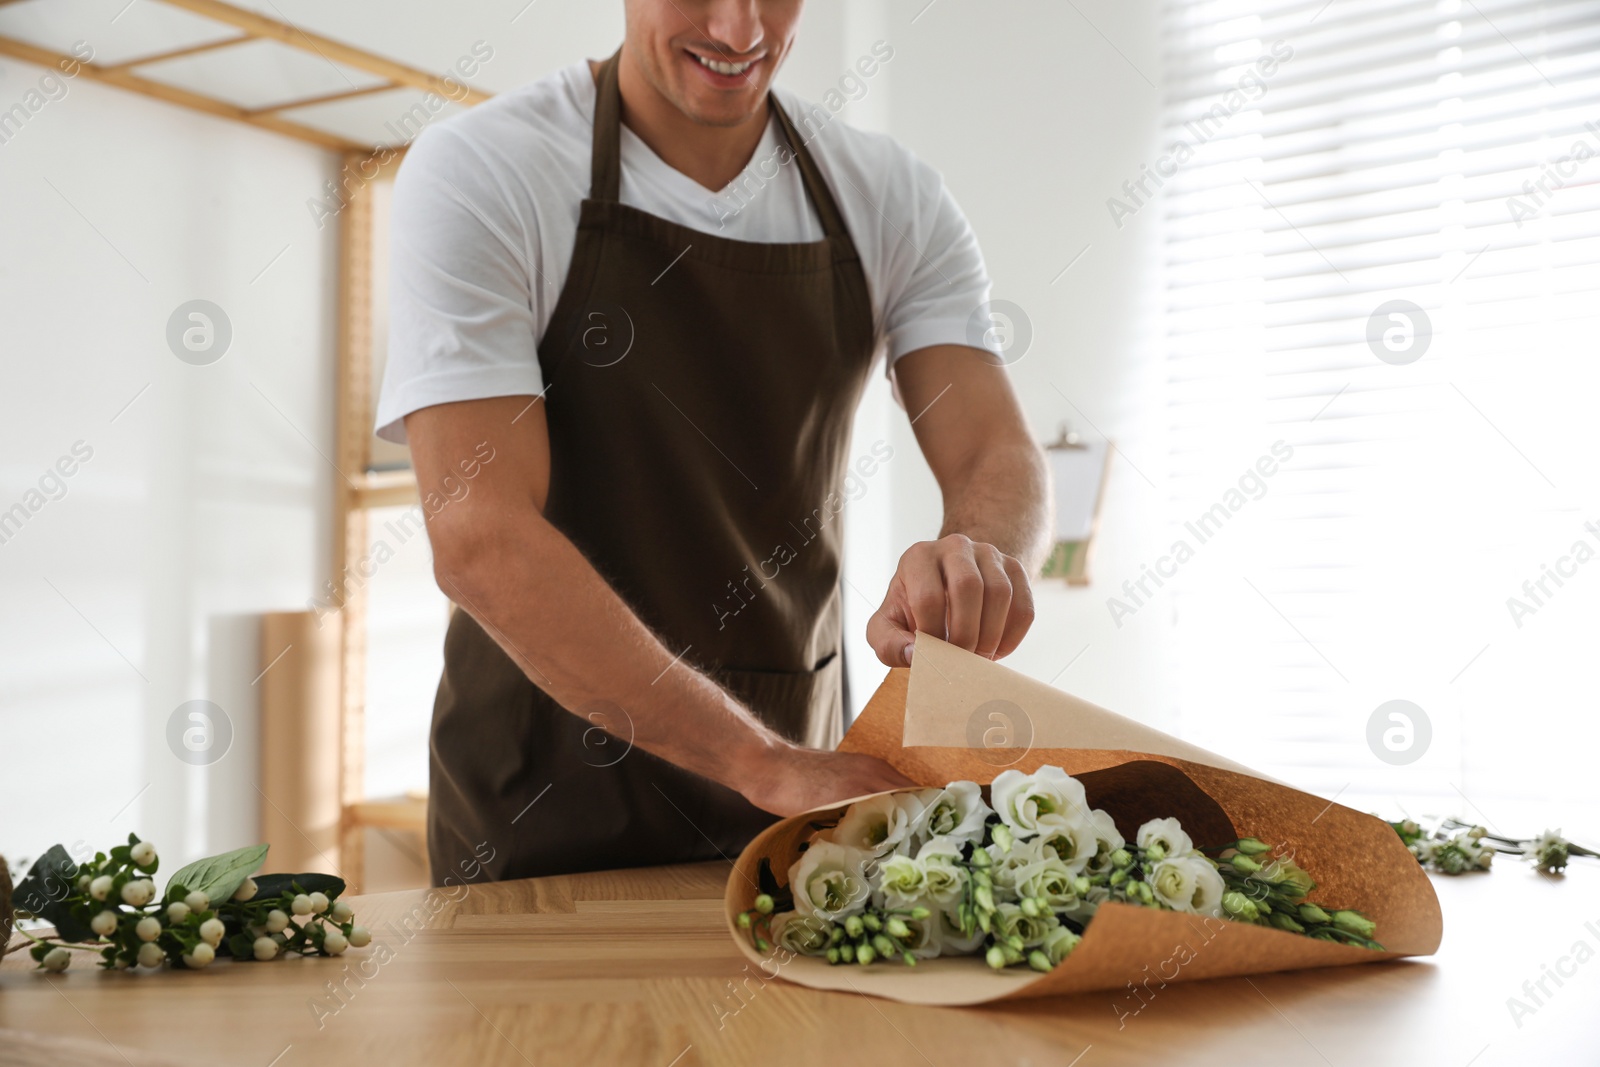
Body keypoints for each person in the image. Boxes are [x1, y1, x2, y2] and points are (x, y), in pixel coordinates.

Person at [374, 0, 1050, 885]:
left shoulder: (890, 195)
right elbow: (480, 538)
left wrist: (976, 561)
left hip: (797, 814)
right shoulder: (487, 169)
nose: (739, 31)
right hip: (542, 816)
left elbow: (996, 452)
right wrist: (761, 761)